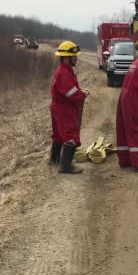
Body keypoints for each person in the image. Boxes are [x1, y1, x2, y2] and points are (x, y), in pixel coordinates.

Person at [51, 40, 89, 174]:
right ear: (66, 57)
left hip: (59, 107)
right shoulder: (63, 73)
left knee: (58, 135)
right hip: (64, 109)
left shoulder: (65, 70)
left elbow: (71, 90)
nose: (76, 58)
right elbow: (71, 94)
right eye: (74, 56)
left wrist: (80, 92)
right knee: (70, 135)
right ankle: (66, 166)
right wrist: (82, 95)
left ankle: (54, 160)